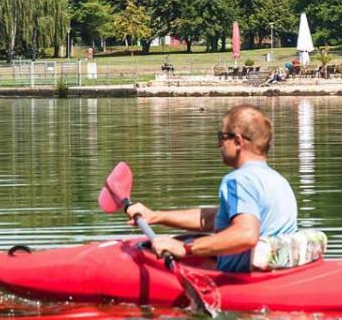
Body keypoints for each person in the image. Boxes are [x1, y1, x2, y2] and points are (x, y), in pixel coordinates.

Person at [126, 104, 298, 272]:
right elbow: (219, 218)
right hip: (278, 276)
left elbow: (246, 233)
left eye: (221, 137)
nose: (219, 145)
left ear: (238, 141)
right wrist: (155, 216)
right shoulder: (278, 181)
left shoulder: (238, 180)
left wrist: (185, 248)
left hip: (242, 284)